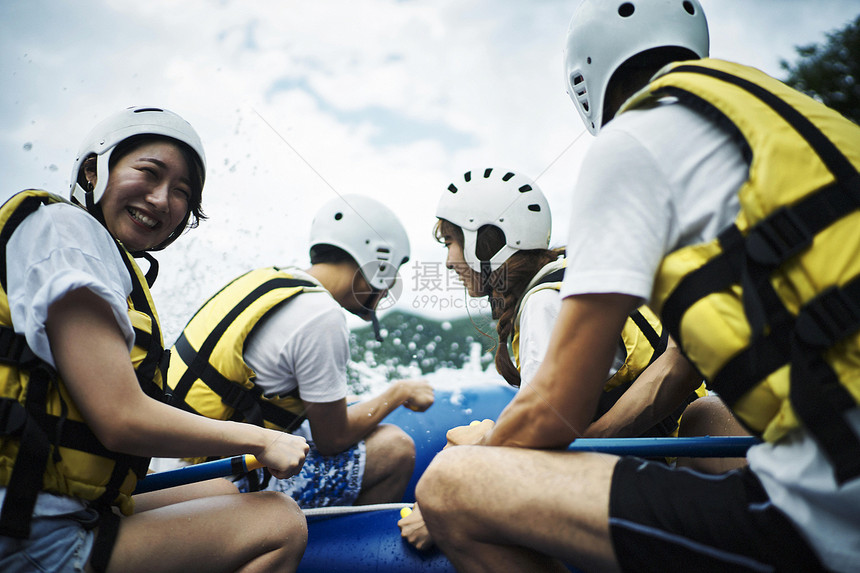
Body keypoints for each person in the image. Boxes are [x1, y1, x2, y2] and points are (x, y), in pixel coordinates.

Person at [414, 1, 860, 571]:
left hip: (830, 512)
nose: (448, 262)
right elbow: (680, 367)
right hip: (824, 441)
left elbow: (555, 411)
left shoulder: (633, 140)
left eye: (452, 243)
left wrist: (488, 452)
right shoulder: (803, 121)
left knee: (453, 484)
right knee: (704, 420)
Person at [0, 106, 310, 573]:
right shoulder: (67, 233)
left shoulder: (92, 250)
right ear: (93, 170)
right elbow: (119, 418)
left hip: (49, 501)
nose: (163, 199)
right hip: (29, 529)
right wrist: (260, 440)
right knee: (280, 523)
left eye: (181, 192)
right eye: (148, 172)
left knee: (221, 492)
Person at [399, 167, 740, 550]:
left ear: (487, 241)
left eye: (450, 241)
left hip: (657, 469)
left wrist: (442, 503)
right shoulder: (568, 279)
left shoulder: (543, 303)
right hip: (666, 457)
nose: (446, 261)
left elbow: (537, 443)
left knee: (458, 454)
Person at [164, 194, 435, 508]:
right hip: (214, 481)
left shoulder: (270, 281)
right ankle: (338, 553)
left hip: (170, 464)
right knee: (395, 448)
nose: (389, 287)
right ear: (379, 263)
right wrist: (399, 392)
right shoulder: (322, 315)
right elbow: (332, 440)